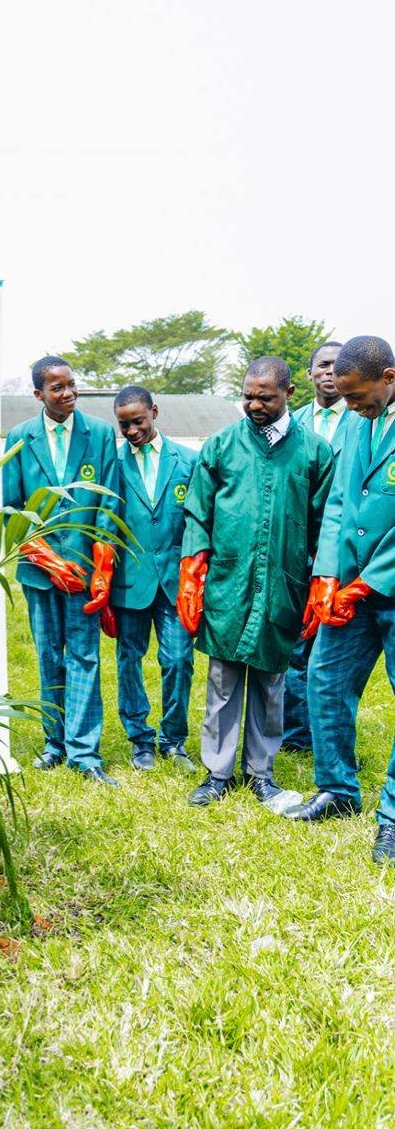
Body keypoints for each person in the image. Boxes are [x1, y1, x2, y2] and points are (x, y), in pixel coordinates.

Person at [177, 356, 335, 813]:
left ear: (288, 394)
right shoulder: (221, 446)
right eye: (248, 395)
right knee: (223, 680)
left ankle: (260, 774)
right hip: (230, 580)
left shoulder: (314, 451)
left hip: (284, 583)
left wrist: (319, 579)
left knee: (271, 680)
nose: (254, 404)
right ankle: (218, 773)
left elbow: (324, 523)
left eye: (264, 396)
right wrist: (193, 571)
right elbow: (198, 515)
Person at [286, 335, 395, 865]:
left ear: (389, 378)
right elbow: (337, 504)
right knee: (323, 679)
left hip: (386, 586)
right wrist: (327, 574)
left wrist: (368, 581)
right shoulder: (355, 422)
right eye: (344, 397)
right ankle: (336, 792)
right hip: (347, 585)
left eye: (357, 396)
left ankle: (392, 819)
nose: (348, 406)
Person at [3, 356, 119, 785]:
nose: (68, 393)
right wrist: (48, 561)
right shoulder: (19, 438)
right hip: (40, 571)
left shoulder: (101, 436)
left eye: (72, 385)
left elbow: (109, 503)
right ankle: (55, 742)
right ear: (38, 394)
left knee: (85, 656)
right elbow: (10, 508)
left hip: (87, 572)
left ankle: (84, 752)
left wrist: (94, 562)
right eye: (57, 388)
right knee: (49, 654)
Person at [108, 386, 198, 773]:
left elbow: (199, 520)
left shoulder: (189, 461)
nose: (131, 431)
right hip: (129, 582)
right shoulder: (112, 465)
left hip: (176, 581)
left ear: (154, 413)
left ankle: (174, 740)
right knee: (129, 660)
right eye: (124, 425)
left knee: (178, 659)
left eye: (138, 421)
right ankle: (140, 739)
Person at [281, 341, 348, 754]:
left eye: (337, 366)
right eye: (322, 365)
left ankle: (330, 734)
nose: (329, 372)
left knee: (334, 648)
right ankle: (295, 734)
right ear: (308, 374)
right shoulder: (292, 422)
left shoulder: (363, 419)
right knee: (294, 644)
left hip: (343, 548)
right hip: (297, 546)